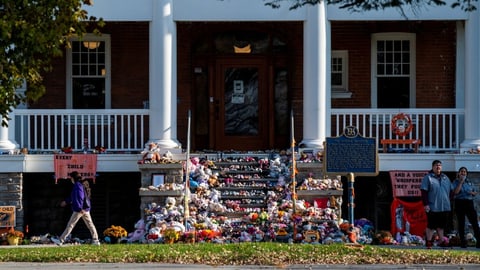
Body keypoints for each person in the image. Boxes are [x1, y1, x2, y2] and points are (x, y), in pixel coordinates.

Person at [51, 171, 100, 246]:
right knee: (90, 225)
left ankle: (61, 240)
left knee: (70, 225)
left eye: (71, 178)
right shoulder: (82, 184)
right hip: (85, 209)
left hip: (79, 209)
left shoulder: (77, 185)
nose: (70, 180)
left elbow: (79, 197)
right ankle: (96, 240)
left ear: (73, 178)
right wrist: (66, 201)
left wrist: (79, 208)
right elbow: (74, 197)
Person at [420, 160, 453, 249]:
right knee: (431, 225)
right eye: (436, 165)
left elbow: (451, 191)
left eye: (439, 165)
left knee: (441, 226)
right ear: (433, 167)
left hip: (444, 206)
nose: (438, 167)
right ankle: (429, 242)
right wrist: (426, 204)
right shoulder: (428, 178)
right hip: (432, 206)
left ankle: (442, 241)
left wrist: (448, 200)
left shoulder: (445, 178)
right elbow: (424, 192)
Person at [452, 166, 480, 248]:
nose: (463, 173)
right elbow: (456, 192)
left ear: (466, 174)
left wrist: (472, 193)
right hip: (459, 202)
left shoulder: (469, 182)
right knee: (461, 223)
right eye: (461, 172)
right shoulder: (455, 182)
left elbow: (475, 192)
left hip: (469, 202)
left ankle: (479, 240)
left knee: (474, 222)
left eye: (464, 172)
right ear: (459, 173)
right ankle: (463, 242)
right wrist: (461, 182)